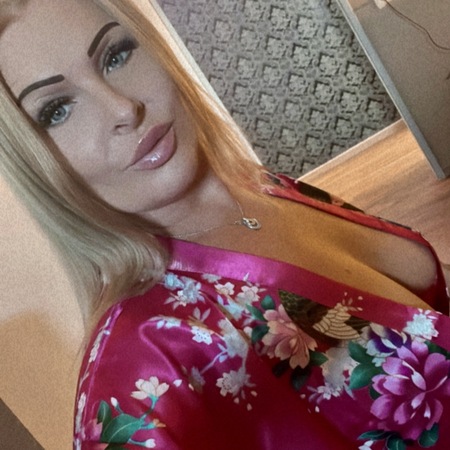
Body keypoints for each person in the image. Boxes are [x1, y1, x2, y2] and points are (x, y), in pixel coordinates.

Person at [0, 0, 449, 449]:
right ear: (35, 168)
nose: (124, 108)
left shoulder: (261, 188)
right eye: (57, 110)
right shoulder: (141, 365)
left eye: (116, 55)